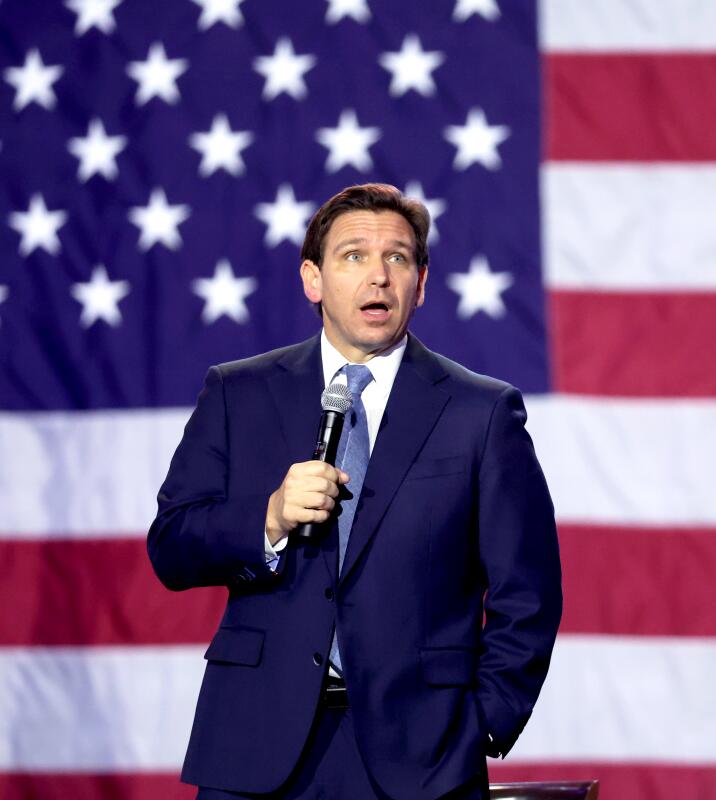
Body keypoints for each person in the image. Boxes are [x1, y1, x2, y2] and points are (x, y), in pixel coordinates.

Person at [147, 183, 562, 799]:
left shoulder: (482, 412)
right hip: (256, 749)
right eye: (353, 257)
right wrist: (268, 519)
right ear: (312, 280)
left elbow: (527, 592)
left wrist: (481, 725)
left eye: (397, 258)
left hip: (423, 757)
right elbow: (172, 547)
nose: (378, 277)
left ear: (420, 283)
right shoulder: (239, 394)